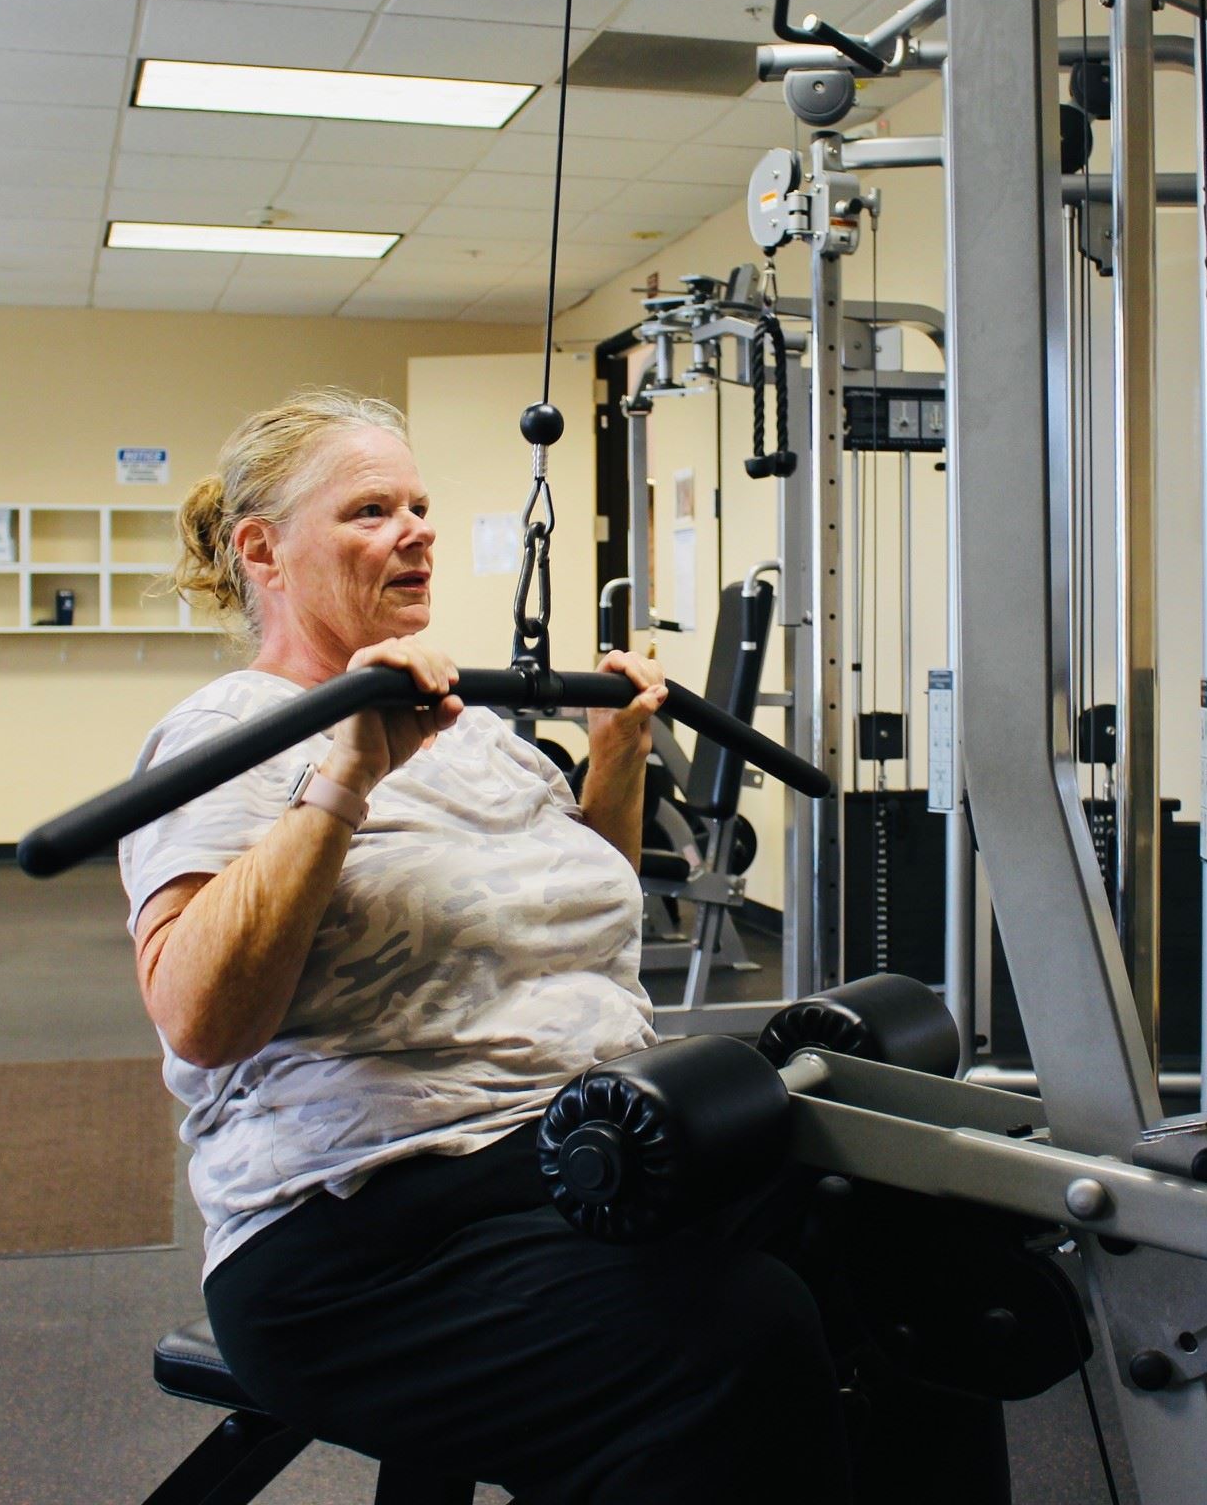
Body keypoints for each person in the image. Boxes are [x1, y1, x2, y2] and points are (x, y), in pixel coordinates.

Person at [118, 388, 853, 1504]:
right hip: (360, 1234)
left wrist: (617, 755)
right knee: (732, 1341)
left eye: (418, 505)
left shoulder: (473, 731)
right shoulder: (227, 735)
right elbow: (201, 1020)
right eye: (371, 511)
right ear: (263, 551)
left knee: (871, 1233)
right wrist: (345, 777)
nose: (415, 531)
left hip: (571, 1152)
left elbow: (569, 916)